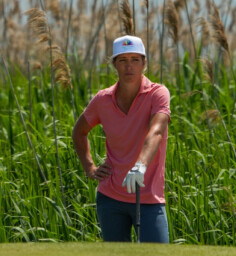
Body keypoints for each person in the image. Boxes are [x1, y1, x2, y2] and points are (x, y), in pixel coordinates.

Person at [72, 34, 171, 243]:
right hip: (110, 200)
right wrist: (90, 168)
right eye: (123, 60)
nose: (129, 67)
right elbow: (79, 132)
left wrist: (140, 166)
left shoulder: (158, 94)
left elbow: (157, 131)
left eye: (135, 60)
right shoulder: (102, 100)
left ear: (144, 63)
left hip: (149, 199)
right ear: (114, 64)